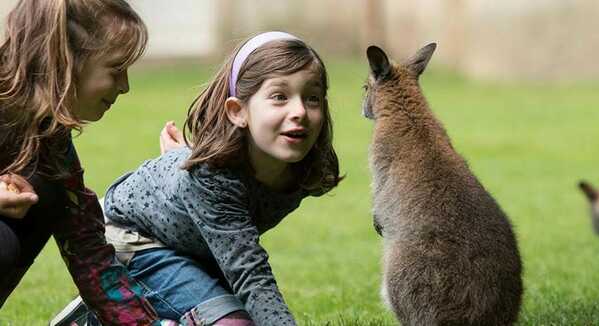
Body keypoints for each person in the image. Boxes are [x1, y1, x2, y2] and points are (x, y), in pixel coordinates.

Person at [58, 31, 342, 325]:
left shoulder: (301, 168)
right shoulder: (211, 178)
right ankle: (107, 312)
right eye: (279, 97)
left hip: (191, 248)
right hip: (131, 238)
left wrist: (180, 158)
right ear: (238, 111)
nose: (299, 112)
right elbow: (250, 274)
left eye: (312, 98)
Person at [0, 0, 164, 324]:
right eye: (116, 70)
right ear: (66, 60)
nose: (126, 86)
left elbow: (88, 250)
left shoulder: (49, 142)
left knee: (51, 195)